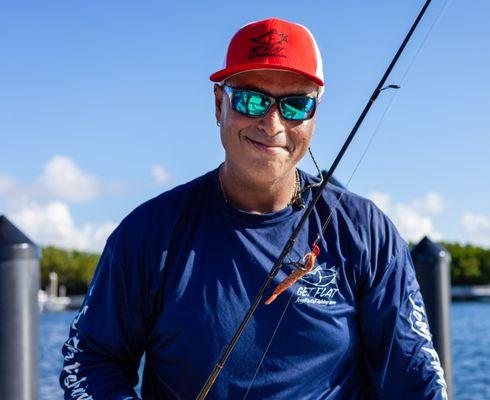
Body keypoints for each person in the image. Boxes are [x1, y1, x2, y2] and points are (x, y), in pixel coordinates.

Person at [60, 18, 448, 400]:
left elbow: (415, 376)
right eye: (252, 100)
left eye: (296, 105)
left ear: (314, 116)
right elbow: (90, 362)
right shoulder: (147, 233)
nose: (272, 122)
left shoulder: (367, 232)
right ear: (219, 105)